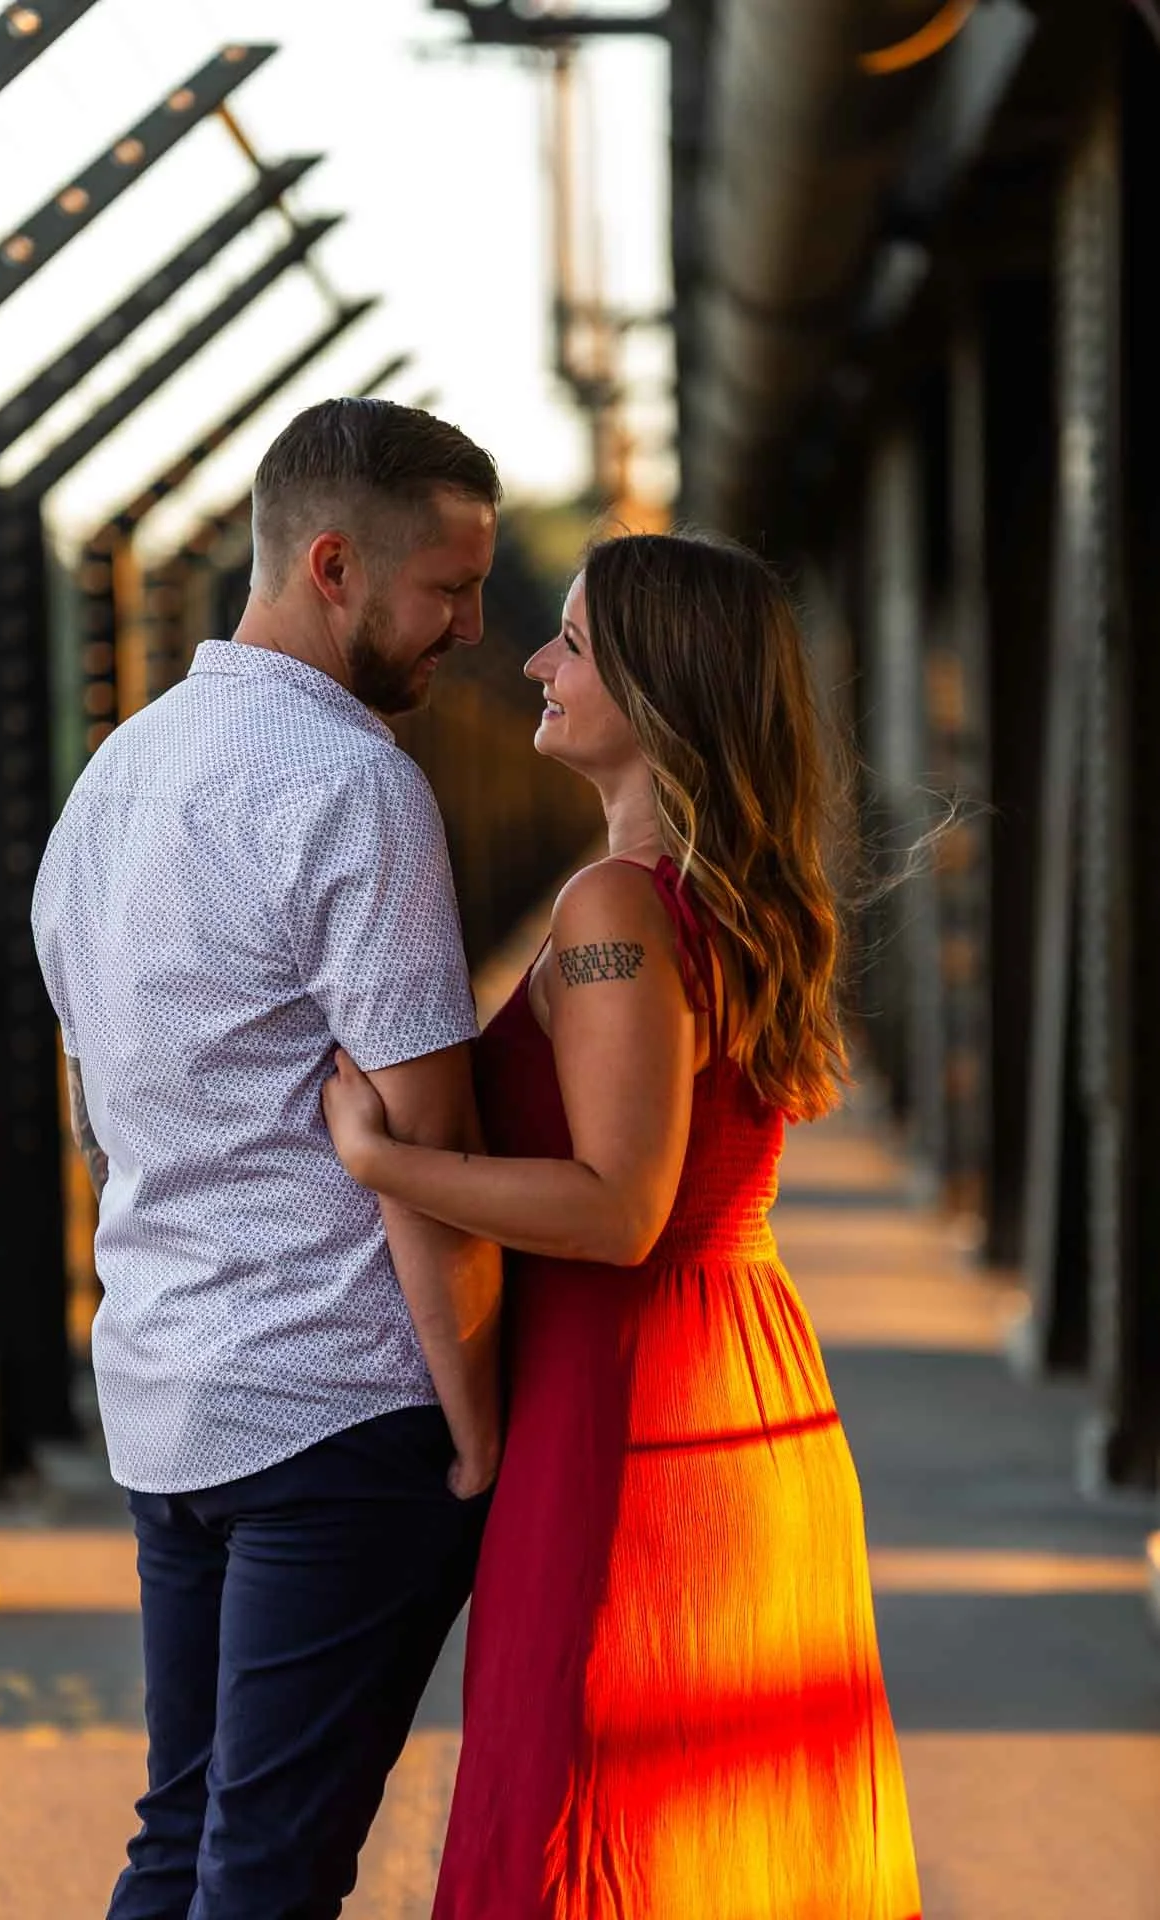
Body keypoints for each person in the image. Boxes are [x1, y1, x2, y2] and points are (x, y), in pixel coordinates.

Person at [323, 531, 924, 1919]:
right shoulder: (721, 901)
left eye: (576, 643)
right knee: (715, 1842)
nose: (536, 660)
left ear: (660, 690)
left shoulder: (615, 905)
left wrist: (382, 1160)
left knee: (583, 1823)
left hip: (630, 1417)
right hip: (738, 1385)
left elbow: (618, 1209)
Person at [32, 398, 505, 1920]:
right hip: (342, 1405)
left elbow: (102, 1102)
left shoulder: (113, 780)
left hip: (170, 1399)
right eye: (447, 589)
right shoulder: (354, 784)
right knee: (269, 1871)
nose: (471, 629)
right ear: (332, 566)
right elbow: (426, 1145)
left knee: (185, 1841)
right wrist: (479, 1429)